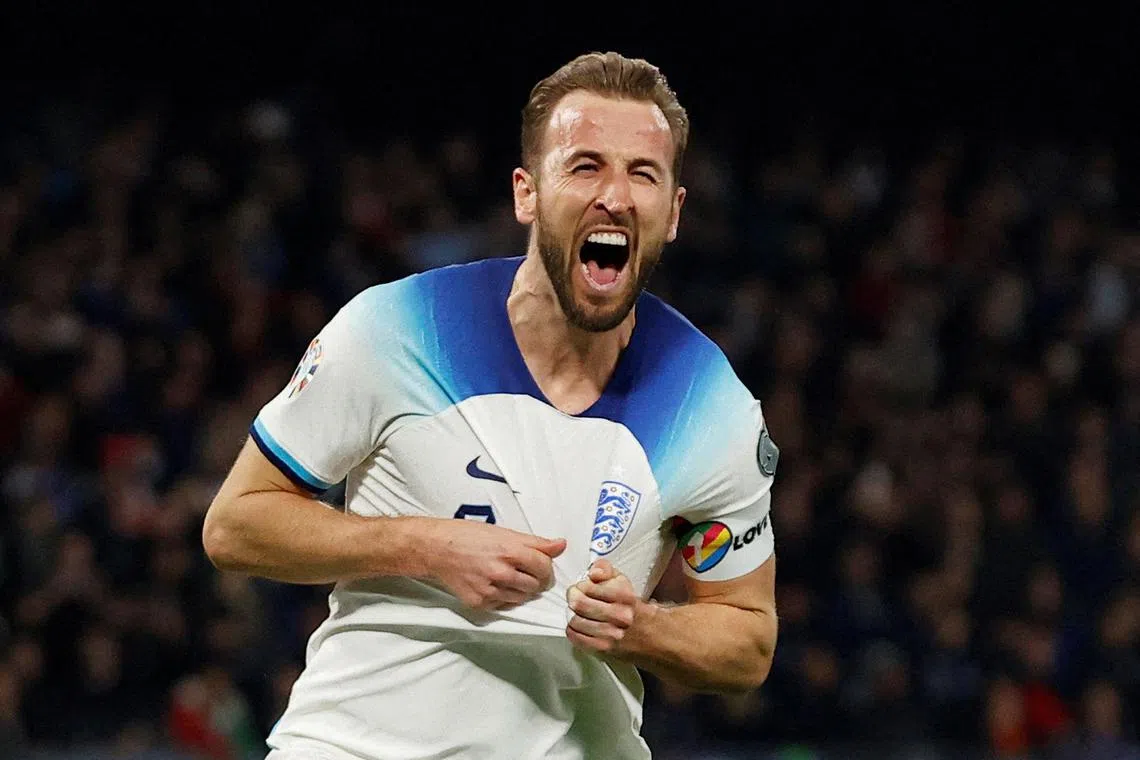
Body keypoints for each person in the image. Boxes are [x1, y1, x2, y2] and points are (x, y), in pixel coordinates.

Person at [203, 50, 779, 760]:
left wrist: (643, 628)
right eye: (586, 165)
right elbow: (235, 526)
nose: (616, 197)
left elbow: (747, 639)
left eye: (643, 174)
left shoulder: (712, 407)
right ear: (526, 193)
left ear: (673, 213)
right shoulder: (393, 330)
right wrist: (426, 545)